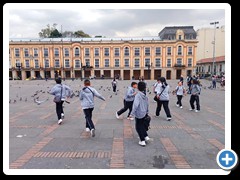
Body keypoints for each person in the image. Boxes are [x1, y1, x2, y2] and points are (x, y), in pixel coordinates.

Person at [130, 81, 150, 147]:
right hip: (144, 112)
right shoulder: (145, 95)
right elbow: (147, 104)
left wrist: (131, 113)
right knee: (142, 125)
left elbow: (135, 105)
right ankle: (146, 136)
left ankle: (142, 140)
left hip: (139, 113)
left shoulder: (138, 95)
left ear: (138, 88)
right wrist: (147, 111)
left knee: (138, 127)